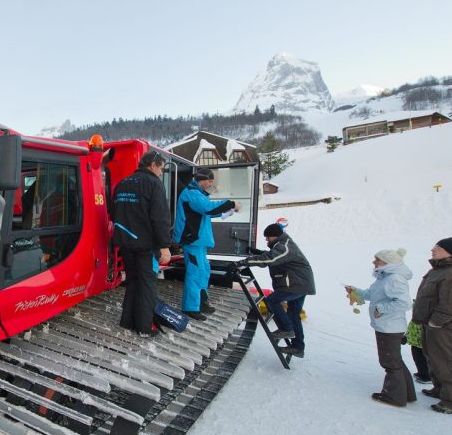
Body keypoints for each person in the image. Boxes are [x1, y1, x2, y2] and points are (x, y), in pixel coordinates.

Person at [112, 150, 171, 337]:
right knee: (147, 285)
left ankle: (127, 321)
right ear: (153, 165)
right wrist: (164, 245)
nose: (161, 173)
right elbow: (160, 218)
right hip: (145, 245)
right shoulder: (154, 184)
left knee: (132, 282)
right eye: (161, 169)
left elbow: (114, 213)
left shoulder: (122, 184)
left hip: (125, 242)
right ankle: (145, 327)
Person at [345, 248, 415, 407]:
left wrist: (381, 309)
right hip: (387, 326)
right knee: (395, 360)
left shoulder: (394, 279)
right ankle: (407, 393)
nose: (373, 262)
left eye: (377, 259)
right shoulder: (384, 277)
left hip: (390, 327)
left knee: (390, 362)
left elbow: (404, 303)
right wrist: (356, 291)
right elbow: (371, 295)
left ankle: (394, 397)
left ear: (387, 262)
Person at [239, 223, 315, 357]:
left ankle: (286, 329)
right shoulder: (282, 245)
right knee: (293, 315)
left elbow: (271, 258)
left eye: (268, 237)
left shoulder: (285, 246)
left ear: (275, 236)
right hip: (300, 283)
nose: (267, 240)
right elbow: (273, 255)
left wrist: (243, 262)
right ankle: (298, 347)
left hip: (296, 284)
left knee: (272, 301)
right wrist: (257, 253)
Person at [173, 168, 239, 320]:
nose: (210, 184)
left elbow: (206, 211)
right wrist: (230, 203)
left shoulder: (198, 194)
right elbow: (207, 208)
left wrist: (224, 212)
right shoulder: (192, 193)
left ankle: (201, 302)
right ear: (201, 179)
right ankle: (190, 307)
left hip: (199, 241)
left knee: (203, 271)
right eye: (209, 181)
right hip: (192, 241)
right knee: (195, 273)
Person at [412, 237, 452, 414]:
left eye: (438, 247)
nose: (433, 249)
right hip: (431, 324)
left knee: (447, 362)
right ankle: (440, 389)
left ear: (451, 251)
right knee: (433, 359)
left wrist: (436, 322)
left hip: (444, 327)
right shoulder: (440, 269)